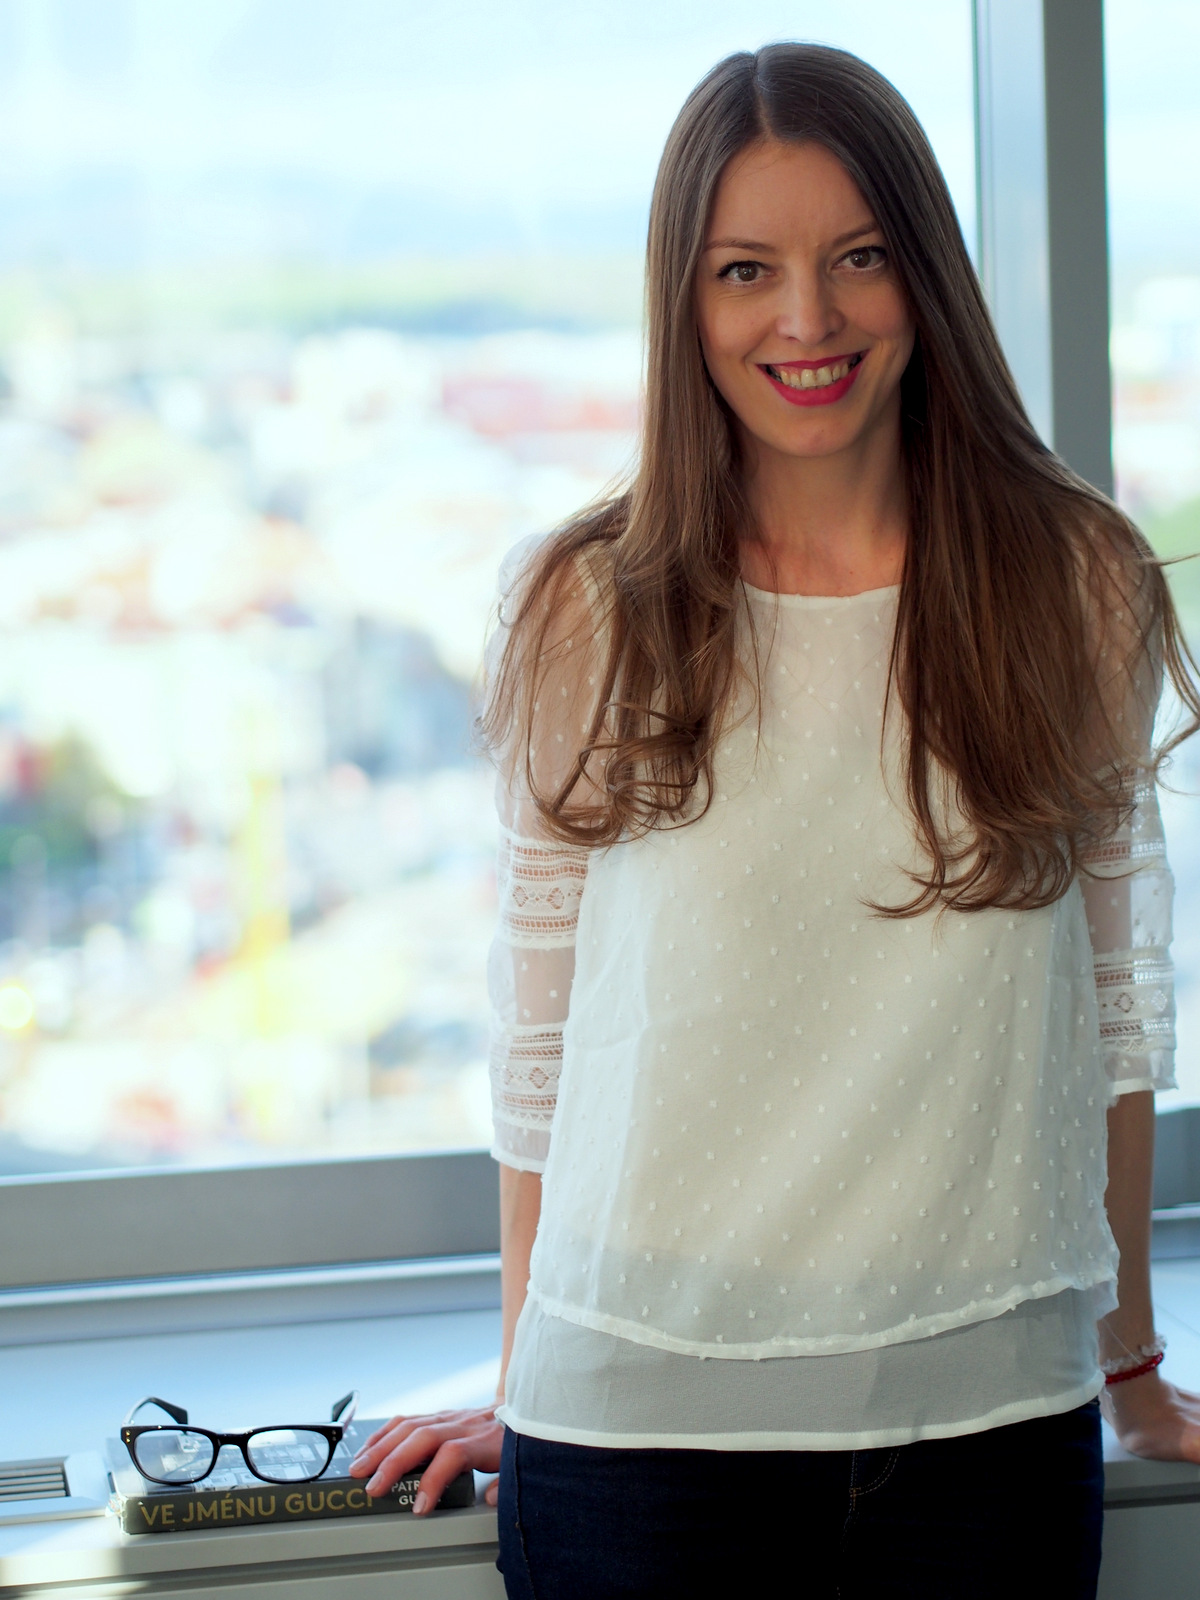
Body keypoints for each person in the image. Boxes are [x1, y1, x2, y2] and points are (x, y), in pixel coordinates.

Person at [350, 43, 1200, 1597]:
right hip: (637, 1448)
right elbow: (541, 1043)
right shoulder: (585, 605)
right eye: (747, 270)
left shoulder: (1076, 583)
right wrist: (527, 1368)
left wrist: (1129, 1369)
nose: (807, 321)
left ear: (925, 274)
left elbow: (1116, 1008)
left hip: (994, 1432)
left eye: (858, 258)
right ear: (685, 302)